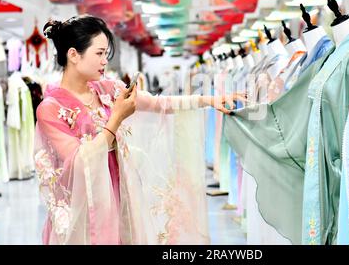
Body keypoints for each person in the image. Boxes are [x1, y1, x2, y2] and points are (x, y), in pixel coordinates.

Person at [34, 14, 245, 244]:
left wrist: (207, 100)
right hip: (83, 210)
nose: (105, 61)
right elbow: (79, 161)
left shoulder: (106, 89)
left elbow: (158, 103)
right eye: (99, 53)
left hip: (119, 195)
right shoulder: (50, 109)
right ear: (73, 54)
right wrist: (116, 119)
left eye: (106, 53)